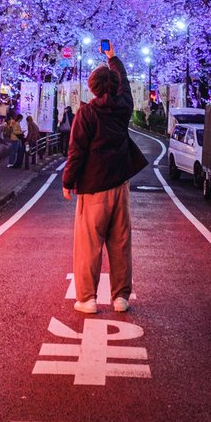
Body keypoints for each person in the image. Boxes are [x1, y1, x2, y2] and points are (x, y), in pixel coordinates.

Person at [62, 47, 147, 315]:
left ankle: (87, 298)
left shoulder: (86, 114)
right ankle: (120, 297)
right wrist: (113, 59)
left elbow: (76, 151)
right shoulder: (122, 109)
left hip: (93, 188)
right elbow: (126, 88)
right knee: (120, 242)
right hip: (120, 185)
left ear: (93, 88)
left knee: (89, 245)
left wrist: (68, 182)